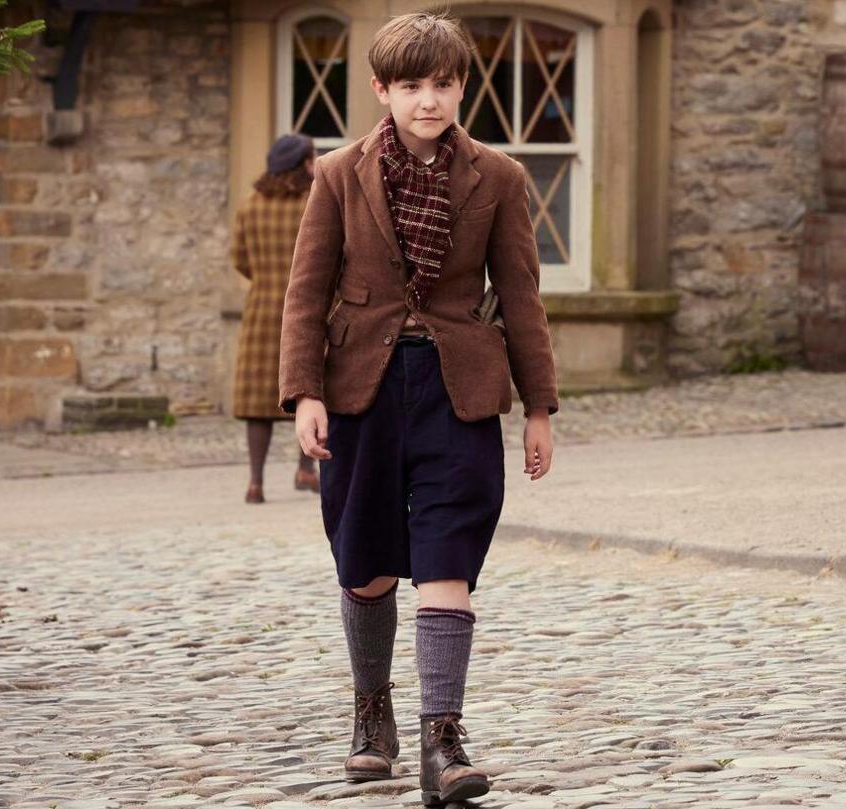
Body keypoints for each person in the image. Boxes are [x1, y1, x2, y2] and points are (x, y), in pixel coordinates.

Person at [277, 12, 558, 805]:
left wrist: (539, 406)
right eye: (411, 86)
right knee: (365, 562)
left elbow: (522, 299)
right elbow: (305, 294)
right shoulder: (336, 174)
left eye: (442, 84)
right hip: (361, 389)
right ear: (381, 90)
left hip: (458, 389)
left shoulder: (498, 178)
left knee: (447, 558)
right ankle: (373, 713)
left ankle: (444, 738)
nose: (428, 100)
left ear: (462, 86)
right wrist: (304, 393)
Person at [231, 134, 321, 504]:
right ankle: (305, 468)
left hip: (261, 309)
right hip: (308, 308)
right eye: (311, 159)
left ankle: (255, 483)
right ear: (301, 164)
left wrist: (267, 279)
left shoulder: (250, 206)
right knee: (310, 388)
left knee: (257, 402)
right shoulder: (311, 203)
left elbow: (238, 257)